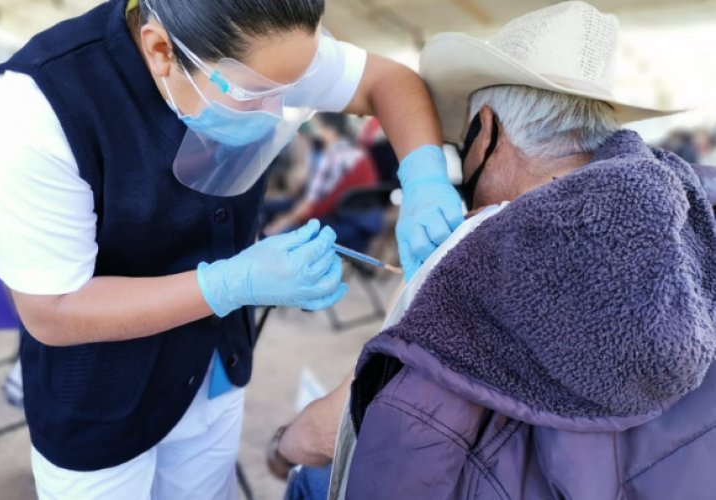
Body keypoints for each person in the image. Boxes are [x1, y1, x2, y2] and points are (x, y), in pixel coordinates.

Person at [0, 0, 464, 497]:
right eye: (256, 95)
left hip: (213, 369)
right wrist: (232, 283)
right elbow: (51, 309)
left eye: (289, 92)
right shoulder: (40, 104)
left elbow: (390, 81)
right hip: (101, 398)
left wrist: (424, 176)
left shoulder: (267, 44)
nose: (276, 112)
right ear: (161, 49)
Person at [269, 3, 716, 499]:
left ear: (486, 131)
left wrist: (280, 448)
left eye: (463, 141)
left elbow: (372, 424)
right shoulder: (691, 216)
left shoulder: (484, 272)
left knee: (307, 483)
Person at [264, 113, 380, 251]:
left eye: (317, 126)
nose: (314, 131)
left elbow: (312, 203)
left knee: (276, 238)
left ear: (329, 129)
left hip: (346, 223)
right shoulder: (349, 151)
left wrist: (282, 223)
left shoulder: (336, 156)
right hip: (355, 219)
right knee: (270, 208)